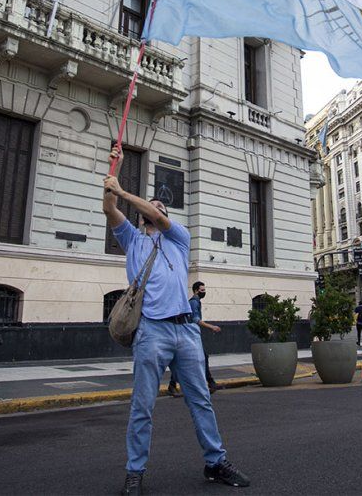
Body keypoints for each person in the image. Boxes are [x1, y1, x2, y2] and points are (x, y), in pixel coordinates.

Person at [103, 147, 248, 495]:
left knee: (200, 400)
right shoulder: (132, 239)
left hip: (185, 330)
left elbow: (149, 212)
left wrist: (123, 191)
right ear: (140, 218)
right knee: (142, 406)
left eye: (161, 208)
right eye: (152, 209)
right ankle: (134, 472)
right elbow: (109, 208)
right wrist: (116, 170)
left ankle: (215, 462)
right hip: (151, 330)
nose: (157, 211)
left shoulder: (178, 239)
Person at [168, 281, 221, 396]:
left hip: (189, 334)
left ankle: (208, 383)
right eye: (202, 290)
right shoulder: (194, 302)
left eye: (204, 290)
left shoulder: (195, 302)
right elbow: (196, 320)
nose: (204, 292)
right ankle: (209, 383)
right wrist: (212, 327)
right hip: (189, 334)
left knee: (190, 359)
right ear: (196, 291)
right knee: (199, 358)